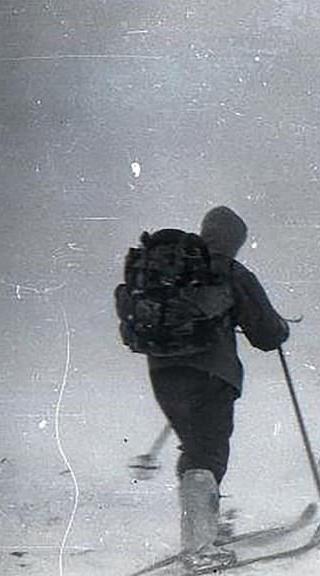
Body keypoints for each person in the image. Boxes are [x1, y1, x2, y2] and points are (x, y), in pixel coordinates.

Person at [117, 206, 290, 571]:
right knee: (207, 452)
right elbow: (267, 334)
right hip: (212, 373)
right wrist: (279, 330)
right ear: (236, 240)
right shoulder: (228, 269)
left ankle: (203, 529)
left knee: (195, 447)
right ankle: (199, 546)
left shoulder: (172, 266)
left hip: (162, 371)